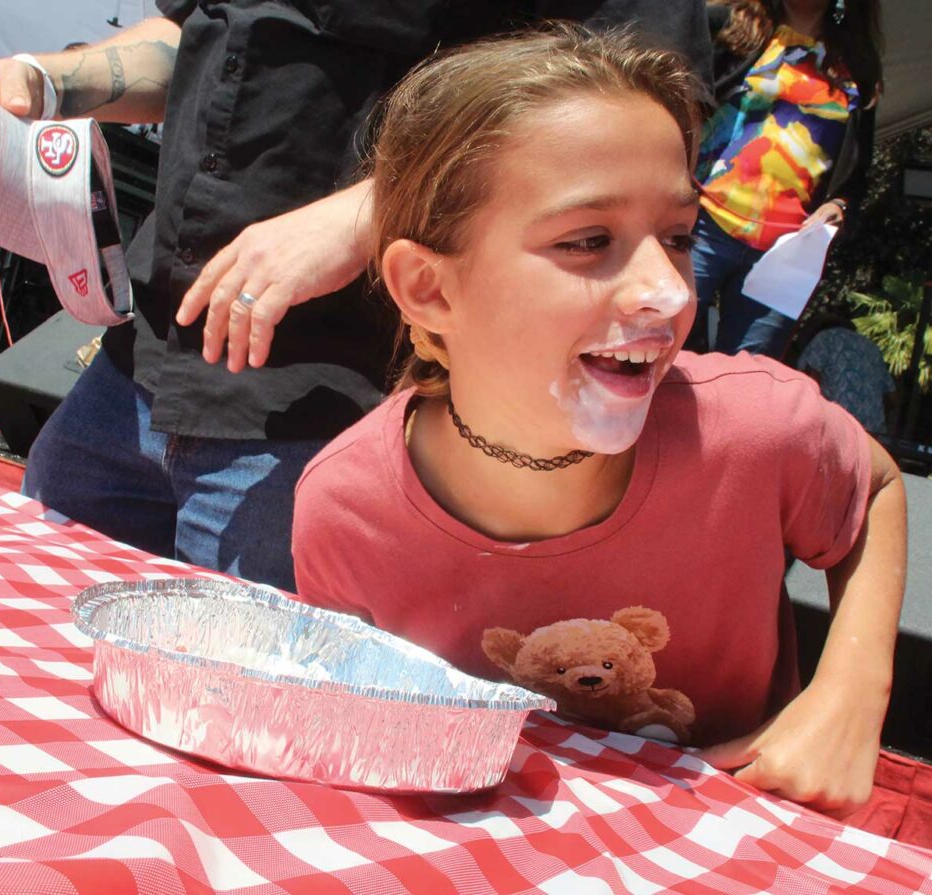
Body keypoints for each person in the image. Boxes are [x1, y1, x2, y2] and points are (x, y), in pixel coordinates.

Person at [291, 25, 907, 817]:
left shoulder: (756, 427)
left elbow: (874, 487)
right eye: (588, 241)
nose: (669, 291)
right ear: (429, 289)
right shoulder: (345, 513)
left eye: (679, 237)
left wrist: (851, 692)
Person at [0, 2, 711, 592]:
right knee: (32, 662)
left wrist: (365, 215)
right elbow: (201, 39)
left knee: (245, 727)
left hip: (328, 408)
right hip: (136, 369)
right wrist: (51, 80)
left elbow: (634, 104)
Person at [688, 0, 883, 357]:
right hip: (702, 226)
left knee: (752, 377)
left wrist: (839, 206)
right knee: (662, 350)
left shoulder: (858, 68)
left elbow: (857, 173)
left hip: (786, 253)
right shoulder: (731, 26)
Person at [796, 314, 896, 433]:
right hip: (872, 432)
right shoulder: (872, 347)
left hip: (838, 427)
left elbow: (808, 383)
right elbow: (892, 397)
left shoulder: (825, 337)